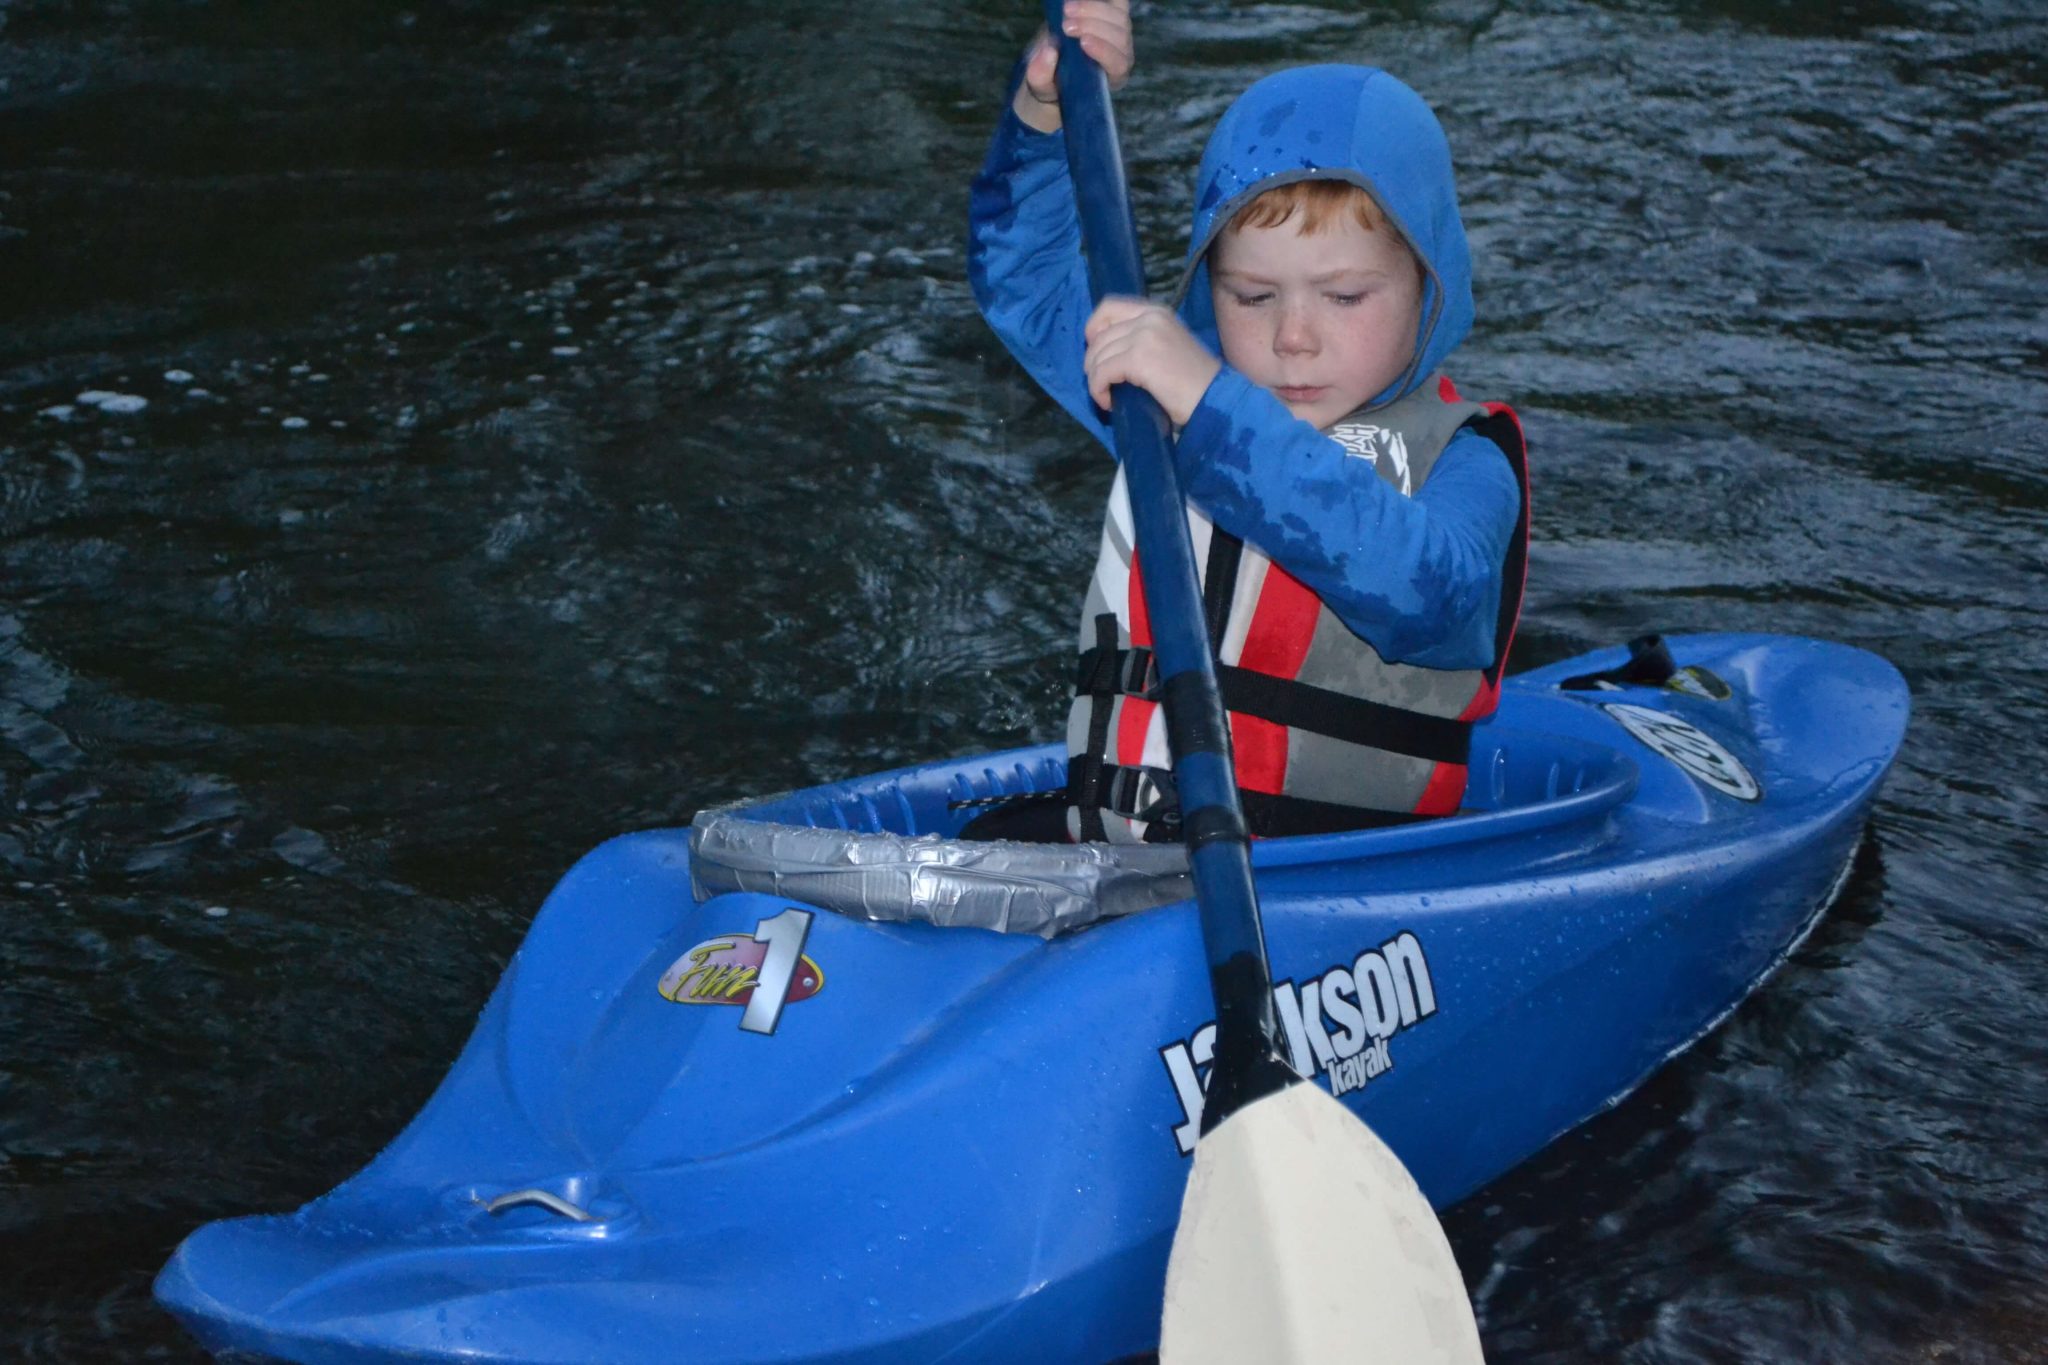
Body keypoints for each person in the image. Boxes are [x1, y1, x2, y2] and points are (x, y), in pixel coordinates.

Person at [964, 0, 1529, 844]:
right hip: (1122, 857)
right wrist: (1046, 114)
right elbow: (1028, 282)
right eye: (1252, 296)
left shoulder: (1467, 461)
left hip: (1335, 891)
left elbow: (1431, 594)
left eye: (1343, 296)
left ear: (1427, 286)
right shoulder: (1165, 404)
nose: (1292, 337)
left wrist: (1213, 408)